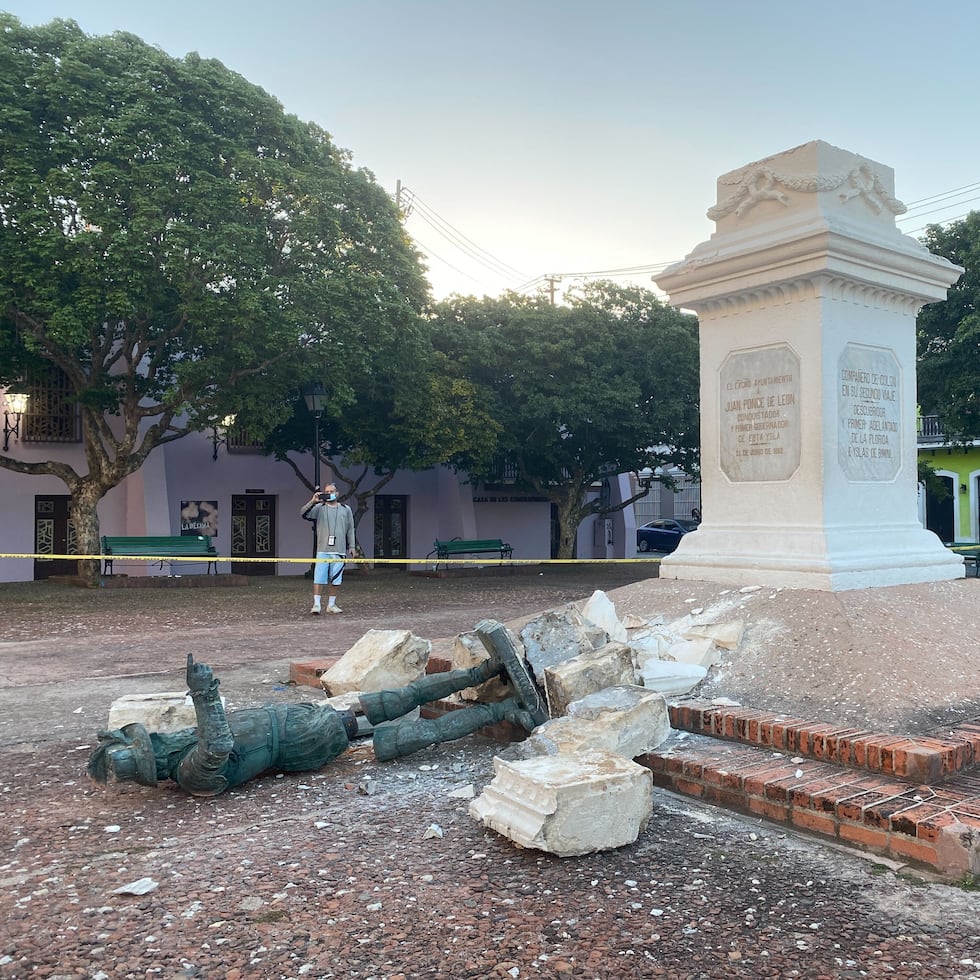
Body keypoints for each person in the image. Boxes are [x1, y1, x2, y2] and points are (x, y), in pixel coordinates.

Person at [88, 622, 548, 797]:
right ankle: (503, 710)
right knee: (408, 733)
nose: (157, 737)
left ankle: (484, 670)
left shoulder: (183, 749)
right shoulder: (192, 775)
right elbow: (220, 744)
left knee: (399, 699)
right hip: (303, 742)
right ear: (153, 758)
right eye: (149, 743)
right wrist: (204, 694)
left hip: (298, 722)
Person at [301, 483, 356, 615]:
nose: (329, 493)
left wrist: (352, 546)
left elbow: (350, 529)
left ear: (337, 493)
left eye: (332, 491)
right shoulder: (319, 508)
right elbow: (303, 513)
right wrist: (313, 501)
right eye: (327, 491)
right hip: (323, 549)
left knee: (336, 579)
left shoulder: (345, 509)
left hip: (340, 549)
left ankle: (331, 604)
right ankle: (316, 604)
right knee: (319, 577)